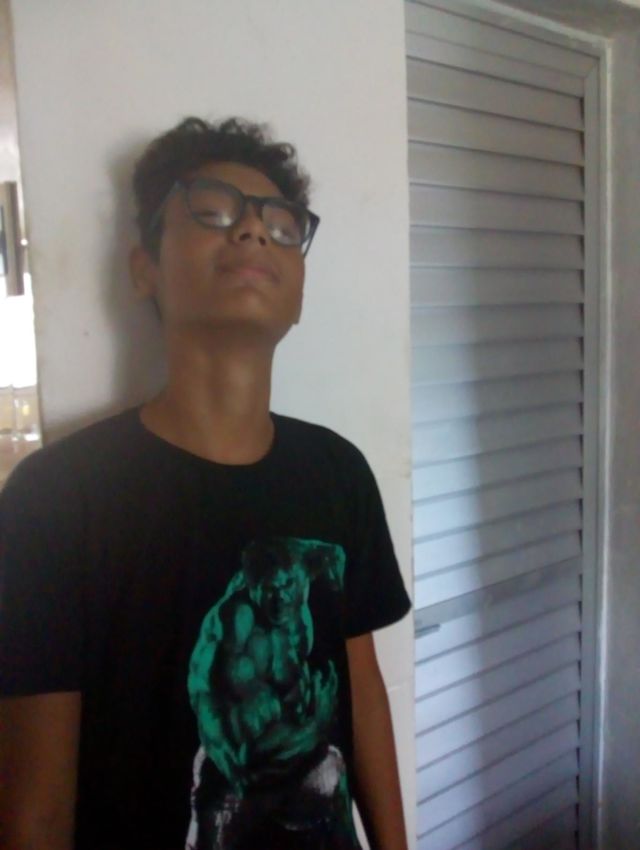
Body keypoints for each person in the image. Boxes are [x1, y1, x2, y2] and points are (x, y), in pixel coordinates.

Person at [0, 117, 411, 850]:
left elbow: (363, 693)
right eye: (214, 212)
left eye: (282, 227)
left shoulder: (338, 472)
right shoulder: (54, 499)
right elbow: (36, 808)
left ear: (299, 291)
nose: (254, 232)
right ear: (145, 269)